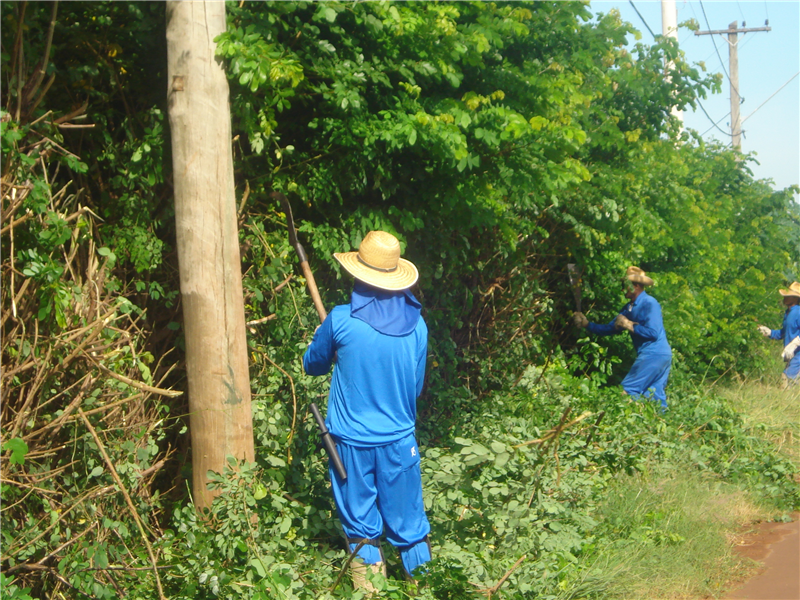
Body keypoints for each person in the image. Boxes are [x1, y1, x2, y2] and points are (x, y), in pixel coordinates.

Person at [302, 230, 431, 591]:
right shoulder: (418, 325)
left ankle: (371, 593)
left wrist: (322, 339)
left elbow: (312, 365)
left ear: (358, 273)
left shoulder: (341, 320)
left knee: (362, 531)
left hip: (351, 446)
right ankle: (427, 590)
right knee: (411, 532)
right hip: (399, 443)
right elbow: (416, 387)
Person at [572, 266, 672, 408]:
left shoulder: (650, 303)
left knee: (627, 392)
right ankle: (661, 427)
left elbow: (653, 333)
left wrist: (630, 326)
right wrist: (587, 324)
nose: (622, 289)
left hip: (654, 353)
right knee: (654, 397)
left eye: (624, 286)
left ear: (635, 286)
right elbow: (609, 329)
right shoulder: (628, 308)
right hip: (659, 355)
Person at [757, 282, 800, 386]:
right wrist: (769, 332)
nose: (785, 298)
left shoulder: (798, 312)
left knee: (786, 378)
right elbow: (784, 333)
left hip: (798, 354)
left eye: (788, 296)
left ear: (795, 298)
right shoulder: (788, 313)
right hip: (792, 355)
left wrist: (795, 343)